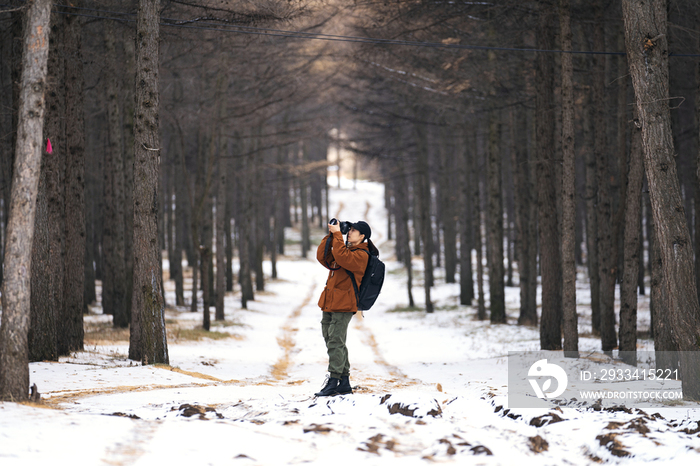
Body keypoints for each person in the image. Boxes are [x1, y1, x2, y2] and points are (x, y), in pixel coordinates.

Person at [314, 219, 376, 397]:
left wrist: (337, 236)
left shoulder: (362, 255)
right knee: (332, 339)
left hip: (345, 303)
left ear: (362, 236)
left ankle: (334, 381)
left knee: (335, 340)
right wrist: (332, 234)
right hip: (330, 301)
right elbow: (322, 257)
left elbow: (341, 257)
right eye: (350, 230)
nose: (350, 232)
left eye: (354, 231)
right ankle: (344, 381)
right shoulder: (345, 248)